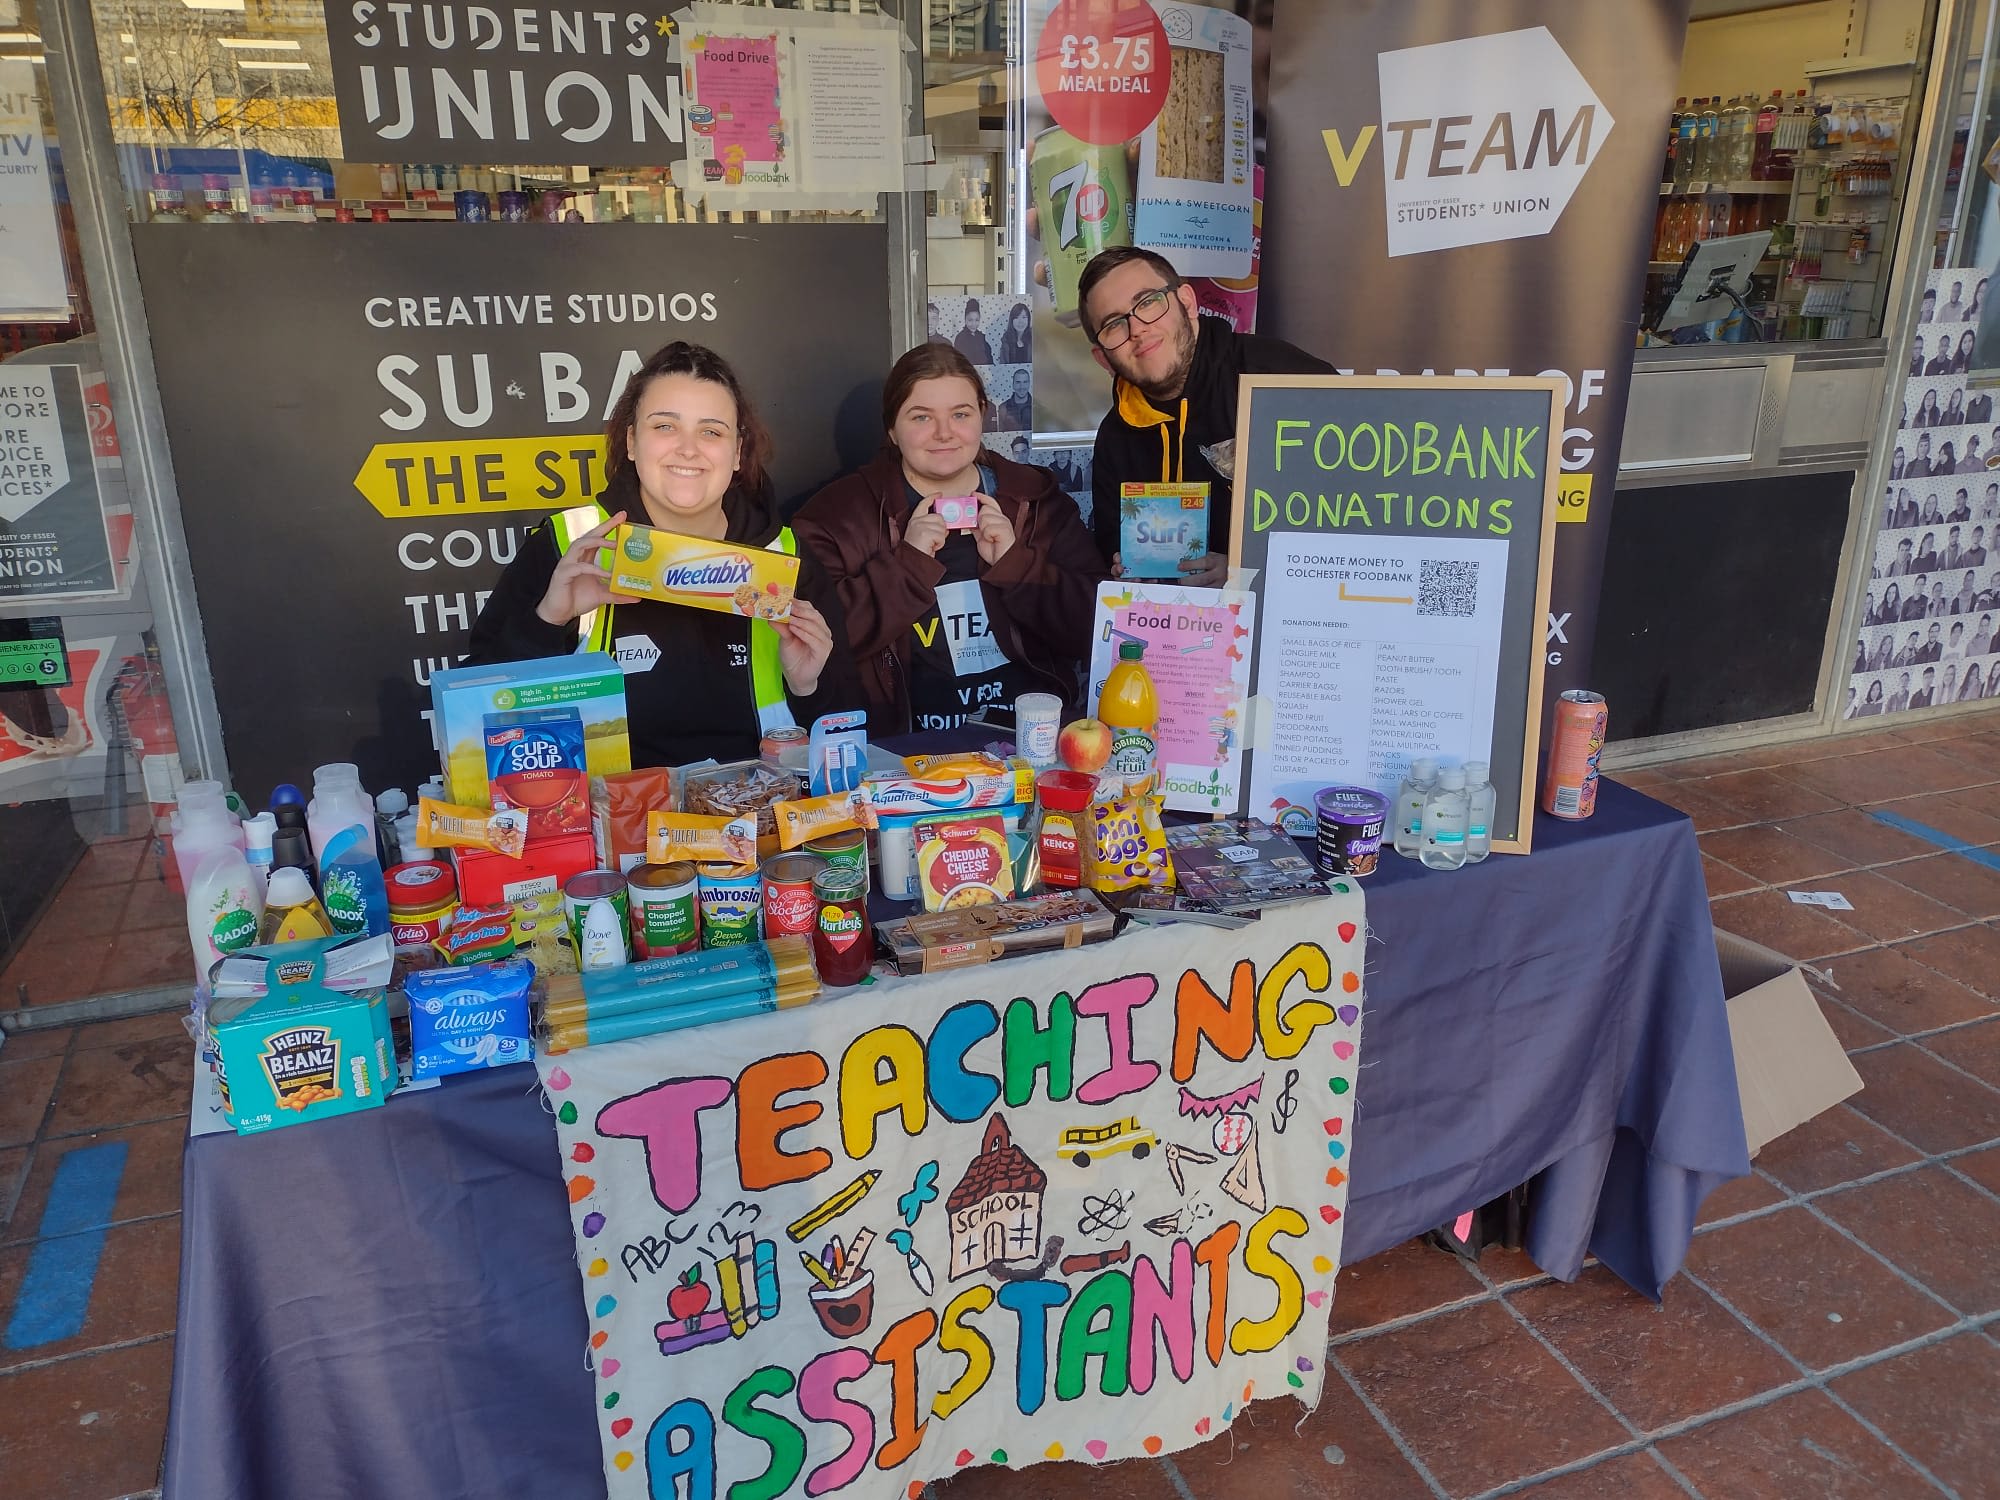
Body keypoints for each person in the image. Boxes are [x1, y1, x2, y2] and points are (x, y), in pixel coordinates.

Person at [466, 341, 843, 767]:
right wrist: (546, 621)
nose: (688, 449)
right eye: (665, 426)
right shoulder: (571, 543)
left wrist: (809, 687)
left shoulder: (785, 557)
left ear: (737, 452)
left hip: (756, 815)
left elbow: (845, 732)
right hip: (609, 820)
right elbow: (473, 713)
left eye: (711, 431)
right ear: (630, 441)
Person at [792, 342, 1108, 734]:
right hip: (899, 754)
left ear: (982, 417)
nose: (944, 433)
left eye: (960, 414)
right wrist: (907, 567)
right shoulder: (837, 515)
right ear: (891, 429)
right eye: (921, 417)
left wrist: (1015, 564)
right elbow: (811, 648)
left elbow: (1096, 631)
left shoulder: (1036, 501)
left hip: (1026, 744)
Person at [1081, 246, 1333, 586]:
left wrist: (1246, 573)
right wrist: (1127, 572)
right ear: (1103, 359)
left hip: (1294, 629)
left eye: (1148, 302)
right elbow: (1112, 549)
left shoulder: (1281, 379)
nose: (1137, 329)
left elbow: (1362, 528)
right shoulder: (1115, 436)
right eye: (1114, 324)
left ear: (1187, 302)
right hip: (1173, 631)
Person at [953, 299, 994, 366]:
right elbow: (958, 361)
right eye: (970, 320)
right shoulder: (960, 338)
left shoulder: (982, 337)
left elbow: (989, 359)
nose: (973, 324)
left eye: (976, 320)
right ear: (965, 319)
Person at [998, 368, 1034, 432]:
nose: (1021, 387)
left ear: (1029, 384)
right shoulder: (1003, 408)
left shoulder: (1037, 407)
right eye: (1018, 382)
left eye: (1025, 382)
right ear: (1013, 384)